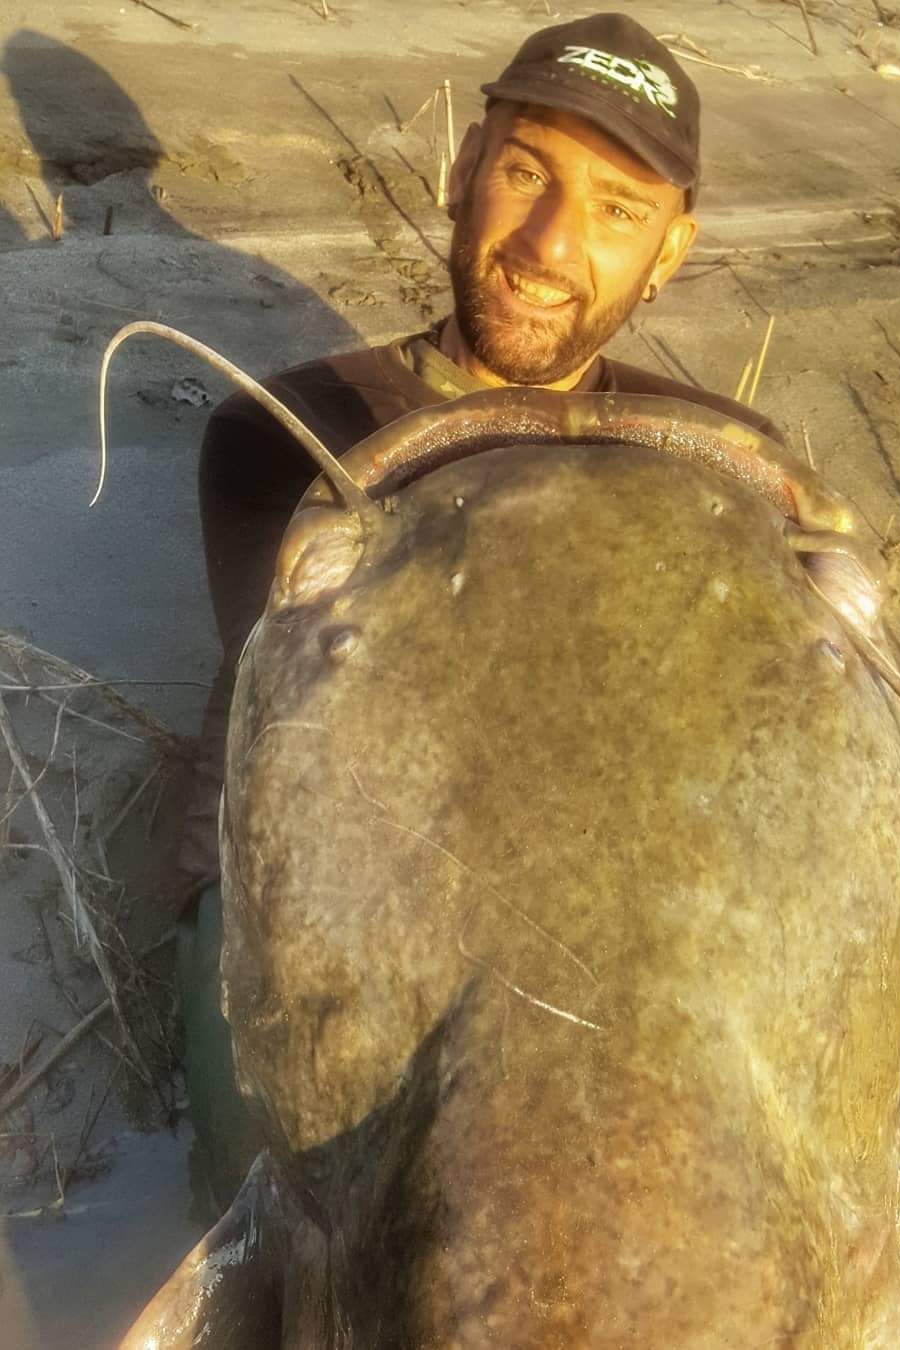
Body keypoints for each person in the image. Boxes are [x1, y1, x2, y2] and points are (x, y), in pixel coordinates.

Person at [177, 11, 787, 1206]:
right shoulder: (281, 433)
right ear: (462, 170)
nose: (551, 243)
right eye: (525, 172)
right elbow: (334, 747)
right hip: (321, 869)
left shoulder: (733, 460)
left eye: (619, 210)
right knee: (305, 1187)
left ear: (671, 251)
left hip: (614, 894)